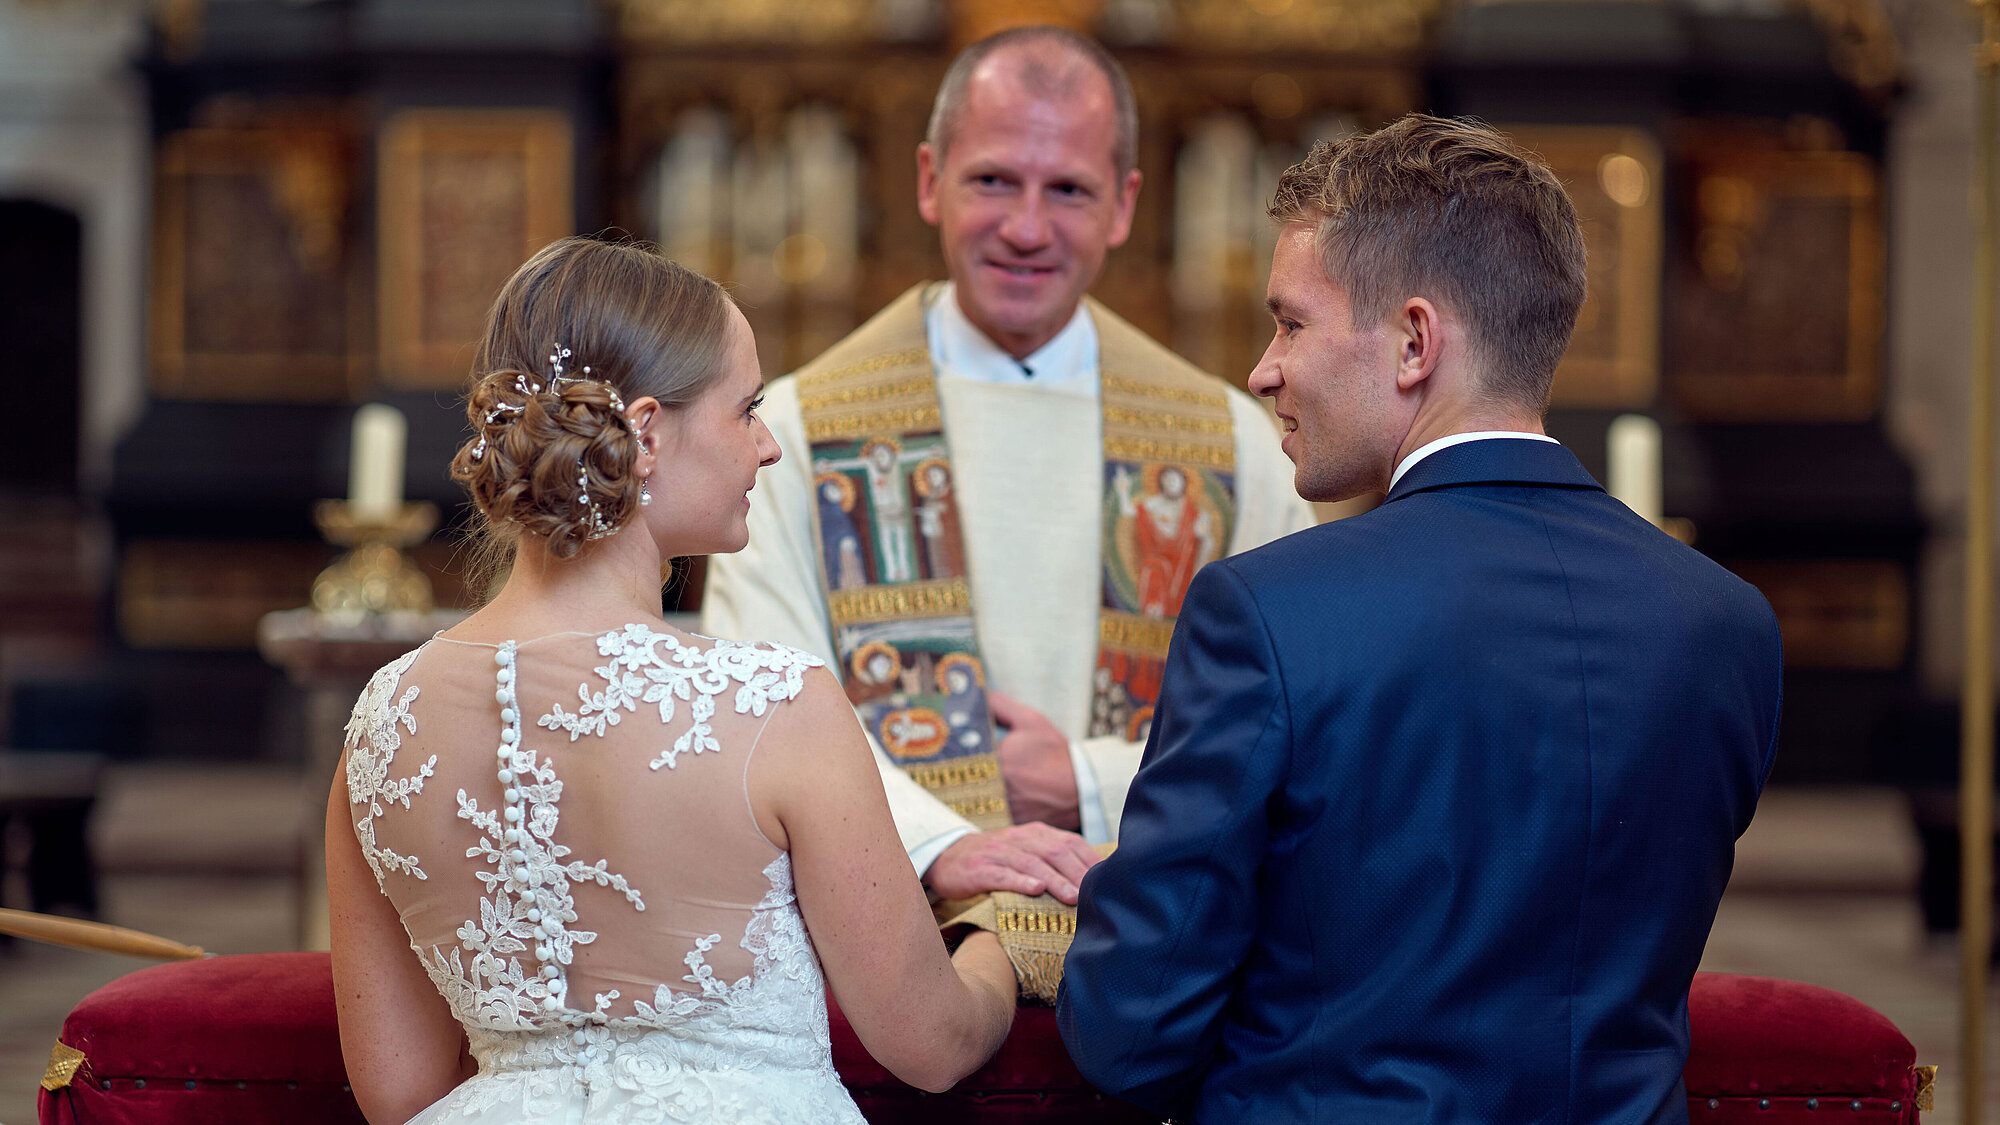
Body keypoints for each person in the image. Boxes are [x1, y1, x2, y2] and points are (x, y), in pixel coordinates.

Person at [1058, 116, 1784, 1123]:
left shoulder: (1265, 614)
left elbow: (1130, 1034)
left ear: (1411, 341)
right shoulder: (1728, 625)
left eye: (1289, 322)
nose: (1264, 368)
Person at [324, 237, 1015, 1125]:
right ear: (647, 434)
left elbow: (400, 1090)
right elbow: (931, 1043)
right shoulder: (777, 707)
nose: (768, 447)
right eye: (747, 408)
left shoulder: (380, 726)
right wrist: (996, 942)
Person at [700, 25, 1312, 907]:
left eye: (1068, 189)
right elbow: (757, 697)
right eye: (993, 179)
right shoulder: (796, 432)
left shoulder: (1231, 443)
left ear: (1125, 205)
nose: (1027, 228)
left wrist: (1089, 777)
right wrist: (940, 845)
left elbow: (1283, 713)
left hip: (1151, 932)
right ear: (928, 181)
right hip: (883, 930)